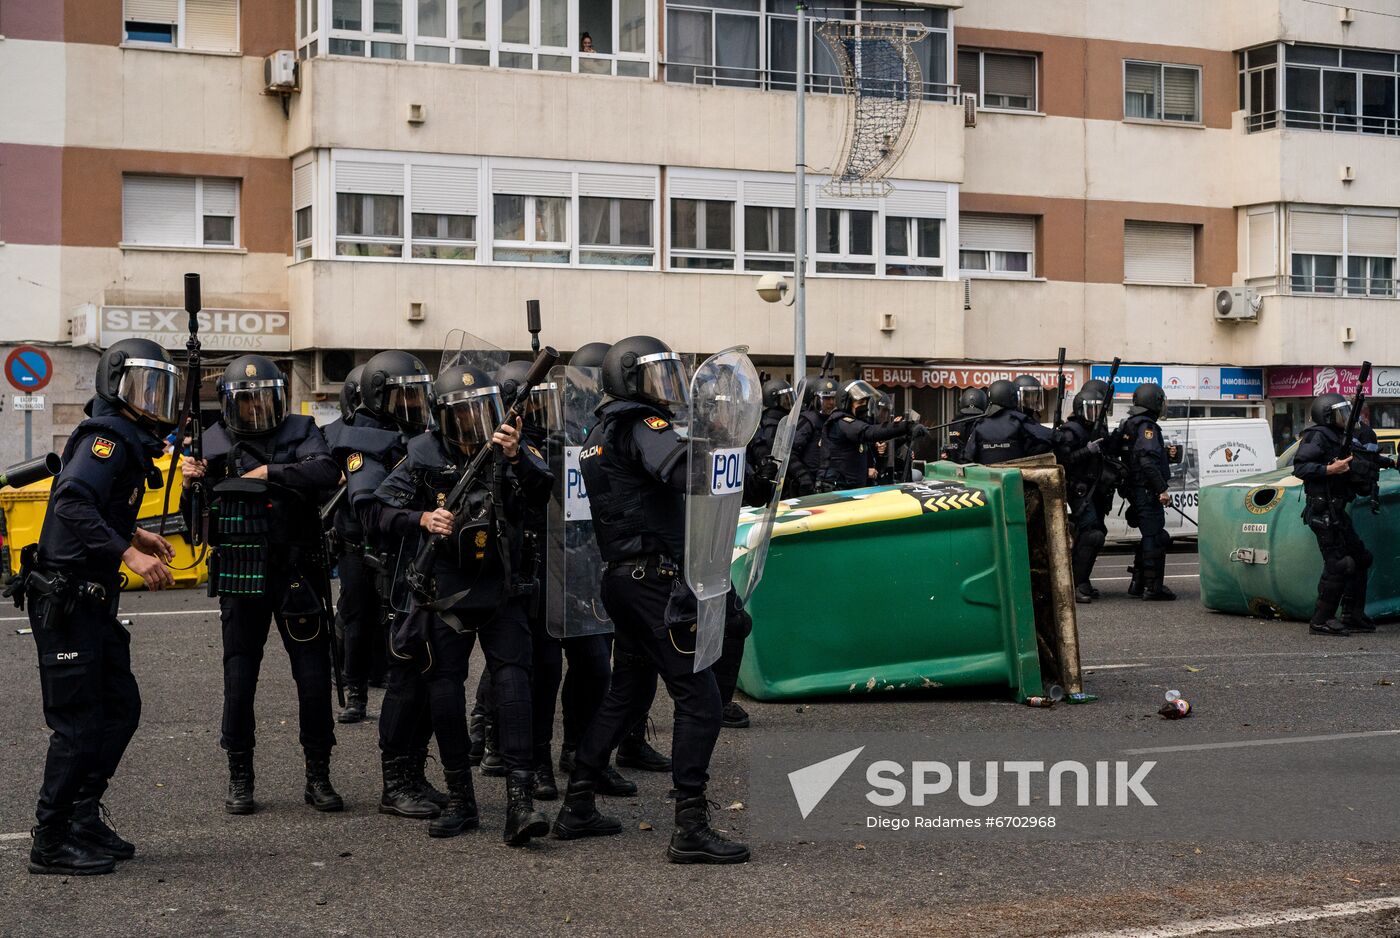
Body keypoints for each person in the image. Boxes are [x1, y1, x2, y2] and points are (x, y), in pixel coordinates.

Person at [553, 335, 750, 864]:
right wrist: (729, 455)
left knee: (624, 694)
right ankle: (689, 826)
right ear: (627, 380)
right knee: (700, 699)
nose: (666, 388)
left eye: (670, 375)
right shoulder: (643, 425)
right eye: (655, 377)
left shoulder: (598, 430)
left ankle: (576, 808)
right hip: (655, 586)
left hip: (625, 580)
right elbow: (685, 472)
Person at [13, 339, 179, 875]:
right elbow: (72, 502)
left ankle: (82, 817)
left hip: (92, 602)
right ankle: (52, 839)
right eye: (141, 385)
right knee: (78, 723)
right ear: (115, 384)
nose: (151, 398)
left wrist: (136, 533)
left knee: (120, 709)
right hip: (67, 600)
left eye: (159, 387)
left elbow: (96, 507)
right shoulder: (105, 436)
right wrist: (128, 551)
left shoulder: (128, 440)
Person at [368, 361, 552, 844]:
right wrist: (422, 519)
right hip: (444, 592)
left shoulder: (509, 448)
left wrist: (517, 459)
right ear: (443, 418)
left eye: (482, 411)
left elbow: (542, 492)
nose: (475, 424)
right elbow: (378, 509)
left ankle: (520, 803)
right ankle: (461, 800)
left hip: (502, 587)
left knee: (514, 689)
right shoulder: (422, 454)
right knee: (444, 692)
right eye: (463, 415)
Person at [182, 355, 344, 815]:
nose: (256, 409)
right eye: (247, 402)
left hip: (297, 572)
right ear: (232, 404)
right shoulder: (212, 441)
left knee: (313, 679)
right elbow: (194, 527)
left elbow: (326, 472)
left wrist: (268, 473)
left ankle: (318, 775)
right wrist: (193, 483)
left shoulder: (302, 429)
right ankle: (240, 775)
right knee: (239, 679)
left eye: (264, 400)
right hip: (240, 572)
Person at [332, 350, 447, 819]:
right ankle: (395, 782)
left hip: (423, 567)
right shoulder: (364, 442)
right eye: (407, 395)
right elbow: (368, 506)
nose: (417, 403)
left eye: (422, 393)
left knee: (428, 676)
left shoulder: (414, 435)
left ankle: (416, 774)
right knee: (406, 678)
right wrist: (419, 517)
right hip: (394, 572)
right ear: (381, 397)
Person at [323, 365, 384, 724]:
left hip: (393, 538)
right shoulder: (335, 437)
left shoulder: (402, 433)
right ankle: (356, 693)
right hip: (354, 542)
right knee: (357, 615)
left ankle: (385, 674)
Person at [1292, 394, 1374, 635]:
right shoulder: (1317, 435)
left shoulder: (1340, 437)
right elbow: (1300, 467)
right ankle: (1321, 619)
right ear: (1326, 415)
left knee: (1361, 559)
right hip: (1323, 510)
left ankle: (1352, 614)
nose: (1345, 418)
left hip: (1337, 509)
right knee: (1339, 564)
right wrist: (1329, 469)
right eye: (1340, 413)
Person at [1054, 379, 1116, 603]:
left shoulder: (1096, 429)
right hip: (1078, 492)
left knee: (1097, 534)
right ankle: (1075, 585)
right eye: (1090, 410)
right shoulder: (1071, 431)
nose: (1094, 414)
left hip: (1094, 491)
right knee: (1091, 534)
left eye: (1098, 410)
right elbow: (1063, 461)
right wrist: (1086, 451)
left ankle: (1083, 580)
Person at [1114, 382, 1175, 602]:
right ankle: (1152, 587)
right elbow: (1147, 462)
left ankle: (1138, 583)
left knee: (1152, 535)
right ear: (1153, 403)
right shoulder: (1147, 427)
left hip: (1135, 489)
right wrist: (1162, 489)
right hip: (1146, 490)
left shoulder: (1129, 424)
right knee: (1155, 537)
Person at [815, 379, 922, 491]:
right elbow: (870, 432)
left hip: (850, 488)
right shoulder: (842, 422)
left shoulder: (855, 423)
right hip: (836, 489)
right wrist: (905, 426)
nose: (864, 406)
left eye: (866, 402)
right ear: (846, 403)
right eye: (860, 403)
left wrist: (906, 435)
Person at [964, 379, 1054, 465]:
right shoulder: (1018, 420)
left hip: (988, 477)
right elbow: (1049, 436)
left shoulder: (980, 424)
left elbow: (968, 456)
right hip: (1016, 476)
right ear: (1013, 398)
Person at [789, 376, 838, 495]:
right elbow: (790, 452)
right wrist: (803, 476)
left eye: (833, 398)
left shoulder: (836, 421)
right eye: (826, 398)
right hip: (810, 484)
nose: (831, 403)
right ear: (816, 399)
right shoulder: (808, 421)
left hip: (831, 482)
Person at [941, 387, 987, 463]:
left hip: (956, 468)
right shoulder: (983, 422)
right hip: (977, 468)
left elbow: (951, 447)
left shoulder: (954, 423)